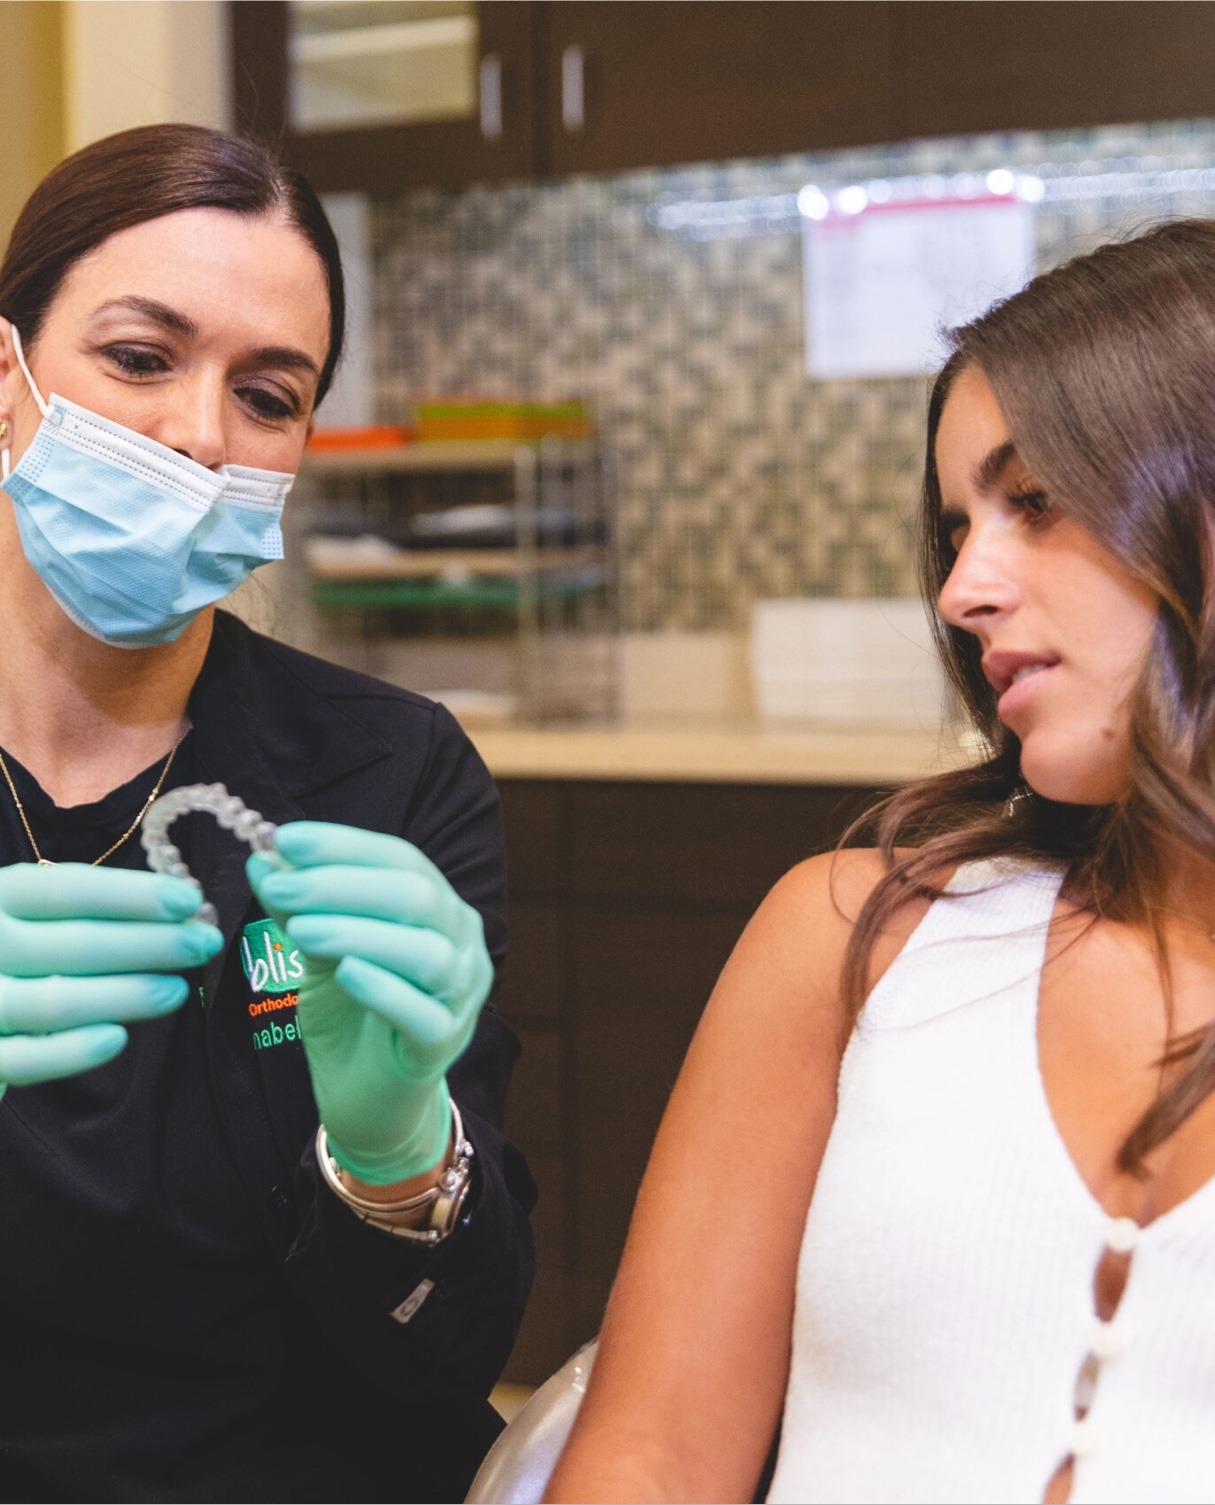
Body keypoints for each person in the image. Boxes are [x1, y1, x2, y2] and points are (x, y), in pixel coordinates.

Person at [547, 218, 1215, 1505]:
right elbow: (652, 1454)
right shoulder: (860, 934)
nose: (964, 587)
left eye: (1036, 500)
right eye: (960, 522)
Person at [0, 123, 534, 1503]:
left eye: (268, 392)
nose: (196, 432)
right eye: (138, 356)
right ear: (6, 379)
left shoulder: (386, 775)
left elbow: (444, 1351)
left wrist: (399, 1156)